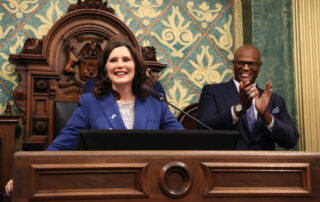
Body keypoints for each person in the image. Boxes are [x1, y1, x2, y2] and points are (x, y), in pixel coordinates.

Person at [5, 39, 184, 196]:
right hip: (105, 186)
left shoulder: (155, 103)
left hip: (149, 186)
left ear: (135, 66)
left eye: (126, 60)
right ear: (106, 69)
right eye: (113, 60)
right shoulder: (90, 102)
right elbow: (63, 143)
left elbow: (182, 142)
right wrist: (25, 174)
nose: (120, 65)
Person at [197, 44, 299, 150]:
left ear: (259, 66)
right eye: (241, 63)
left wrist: (266, 116)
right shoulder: (213, 92)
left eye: (251, 64)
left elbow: (291, 140)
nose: (246, 68)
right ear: (233, 64)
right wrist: (240, 108)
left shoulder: (275, 100)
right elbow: (203, 129)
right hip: (227, 163)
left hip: (264, 164)